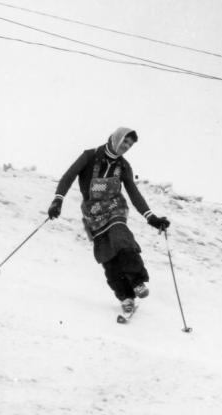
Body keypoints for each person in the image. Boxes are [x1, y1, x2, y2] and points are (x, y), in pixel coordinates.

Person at [47, 127, 170, 314]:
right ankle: (125, 296)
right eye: (125, 142)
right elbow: (68, 177)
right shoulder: (89, 156)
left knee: (121, 238)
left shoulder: (124, 166)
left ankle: (137, 281)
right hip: (93, 212)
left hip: (115, 208)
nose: (126, 147)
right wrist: (58, 200)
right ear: (116, 139)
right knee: (107, 255)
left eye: (130, 145)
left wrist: (150, 217)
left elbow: (133, 192)